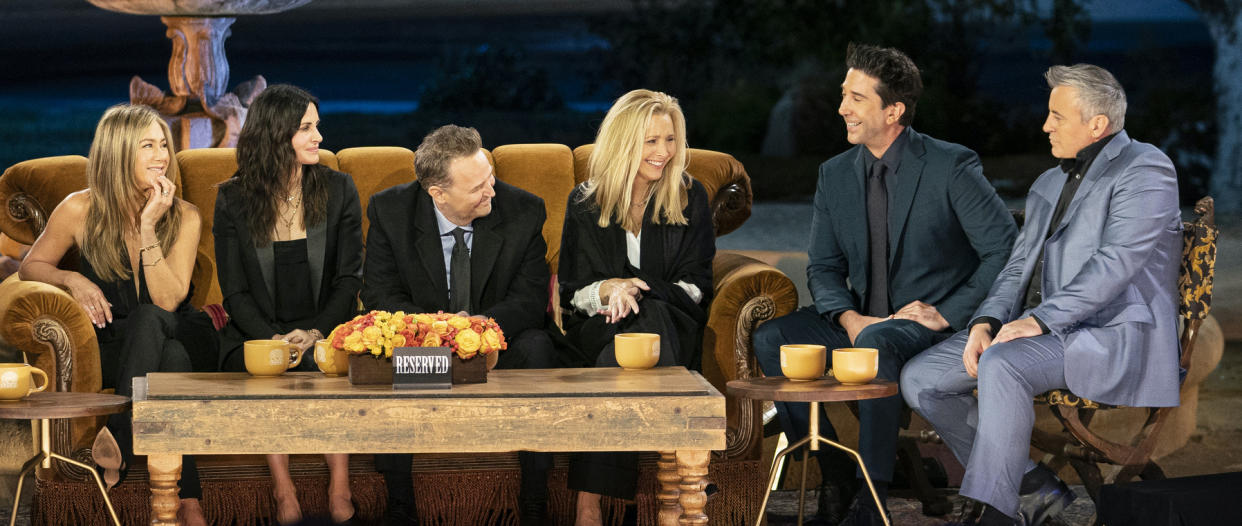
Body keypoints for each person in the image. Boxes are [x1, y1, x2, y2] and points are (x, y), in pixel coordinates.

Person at [900, 64, 1181, 526]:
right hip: (1042, 331)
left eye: (1057, 115)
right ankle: (1032, 486)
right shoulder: (1049, 182)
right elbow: (1017, 266)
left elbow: (1115, 264)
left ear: (1097, 124)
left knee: (1003, 364)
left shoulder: (1146, 169)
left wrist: (1038, 321)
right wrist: (985, 322)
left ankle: (997, 511)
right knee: (920, 379)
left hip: (1109, 334)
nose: (1045, 125)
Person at [751, 43, 1017, 525]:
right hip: (864, 320)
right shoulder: (833, 175)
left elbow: (1005, 250)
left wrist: (951, 312)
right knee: (773, 337)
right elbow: (824, 268)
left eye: (856, 98)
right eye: (843, 94)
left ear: (893, 110)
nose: (841, 108)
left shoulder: (950, 165)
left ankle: (872, 502)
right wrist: (850, 318)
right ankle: (835, 475)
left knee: (876, 342)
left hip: (929, 325)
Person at [19, 104, 217, 526]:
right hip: (118, 344)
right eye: (148, 145)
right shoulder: (79, 209)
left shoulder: (184, 216)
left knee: (153, 322)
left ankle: (121, 436)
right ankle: (189, 501)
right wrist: (72, 278)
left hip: (181, 327)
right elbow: (30, 267)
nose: (162, 155)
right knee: (171, 363)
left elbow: (166, 302)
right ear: (118, 152)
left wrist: (149, 229)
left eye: (164, 144)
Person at [363, 124, 558, 525]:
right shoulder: (391, 211)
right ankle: (400, 501)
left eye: (490, 178)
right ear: (438, 193)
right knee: (391, 355)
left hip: (498, 339)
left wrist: (482, 327)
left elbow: (530, 297)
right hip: (425, 341)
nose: (491, 192)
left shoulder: (524, 210)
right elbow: (381, 294)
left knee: (538, 346)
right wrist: (440, 329)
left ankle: (535, 500)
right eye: (478, 188)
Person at [558, 89, 715, 526]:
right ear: (625, 142)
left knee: (648, 320)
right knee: (629, 338)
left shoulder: (689, 196)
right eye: (651, 141)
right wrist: (610, 290)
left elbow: (698, 286)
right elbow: (573, 292)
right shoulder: (586, 202)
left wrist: (638, 288)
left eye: (670, 140)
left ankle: (590, 505)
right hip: (603, 327)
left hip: (672, 323)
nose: (663, 152)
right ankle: (676, 499)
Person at [214, 84, 363, 525]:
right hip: (260, 328)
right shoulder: (234, 198)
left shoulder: (338, 189)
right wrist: (273, 339)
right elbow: (235, 292)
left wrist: (316, 332)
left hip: (325, 324)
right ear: (277, 134)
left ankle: (340, 485)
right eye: (306, 128)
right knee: (264, 369)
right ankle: (284, 488)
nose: (319, 136)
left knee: (332, 361)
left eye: (317, 126)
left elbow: (348, 278)